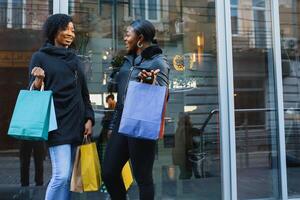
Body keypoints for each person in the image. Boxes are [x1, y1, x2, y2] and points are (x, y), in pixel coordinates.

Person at [28, 14, 94, 200]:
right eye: (66, 29)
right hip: (56, 123)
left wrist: (89, 118)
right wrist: (39, 80)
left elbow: (84, 92)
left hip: (77, 123)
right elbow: (32, 94)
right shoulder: (39, 57)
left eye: (73, 30)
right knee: (61, 175)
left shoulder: (74, 59)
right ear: (54, 31)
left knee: (69, 178)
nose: (70, 34)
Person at [102, 19, 170, 200]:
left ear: (140, 38)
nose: (124, 37)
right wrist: (112, 125)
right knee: (108, 172)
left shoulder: (158, 62)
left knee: (142, 177)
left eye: (128, 34)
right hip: (122, 120)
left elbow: (162, 97)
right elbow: (120, 97)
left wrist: (150, 83)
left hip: (141, 121)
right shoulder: (127, 60)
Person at [172, 113, 200, 179]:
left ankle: (185, 186)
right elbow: (187, 143)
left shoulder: (181, 127)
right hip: (184, 155)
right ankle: (185, 187)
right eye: (189, 118)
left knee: (185, 172)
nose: (190, 120)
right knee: (186, 173)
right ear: (185, 119)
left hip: (181, 155)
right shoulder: (185, 129)